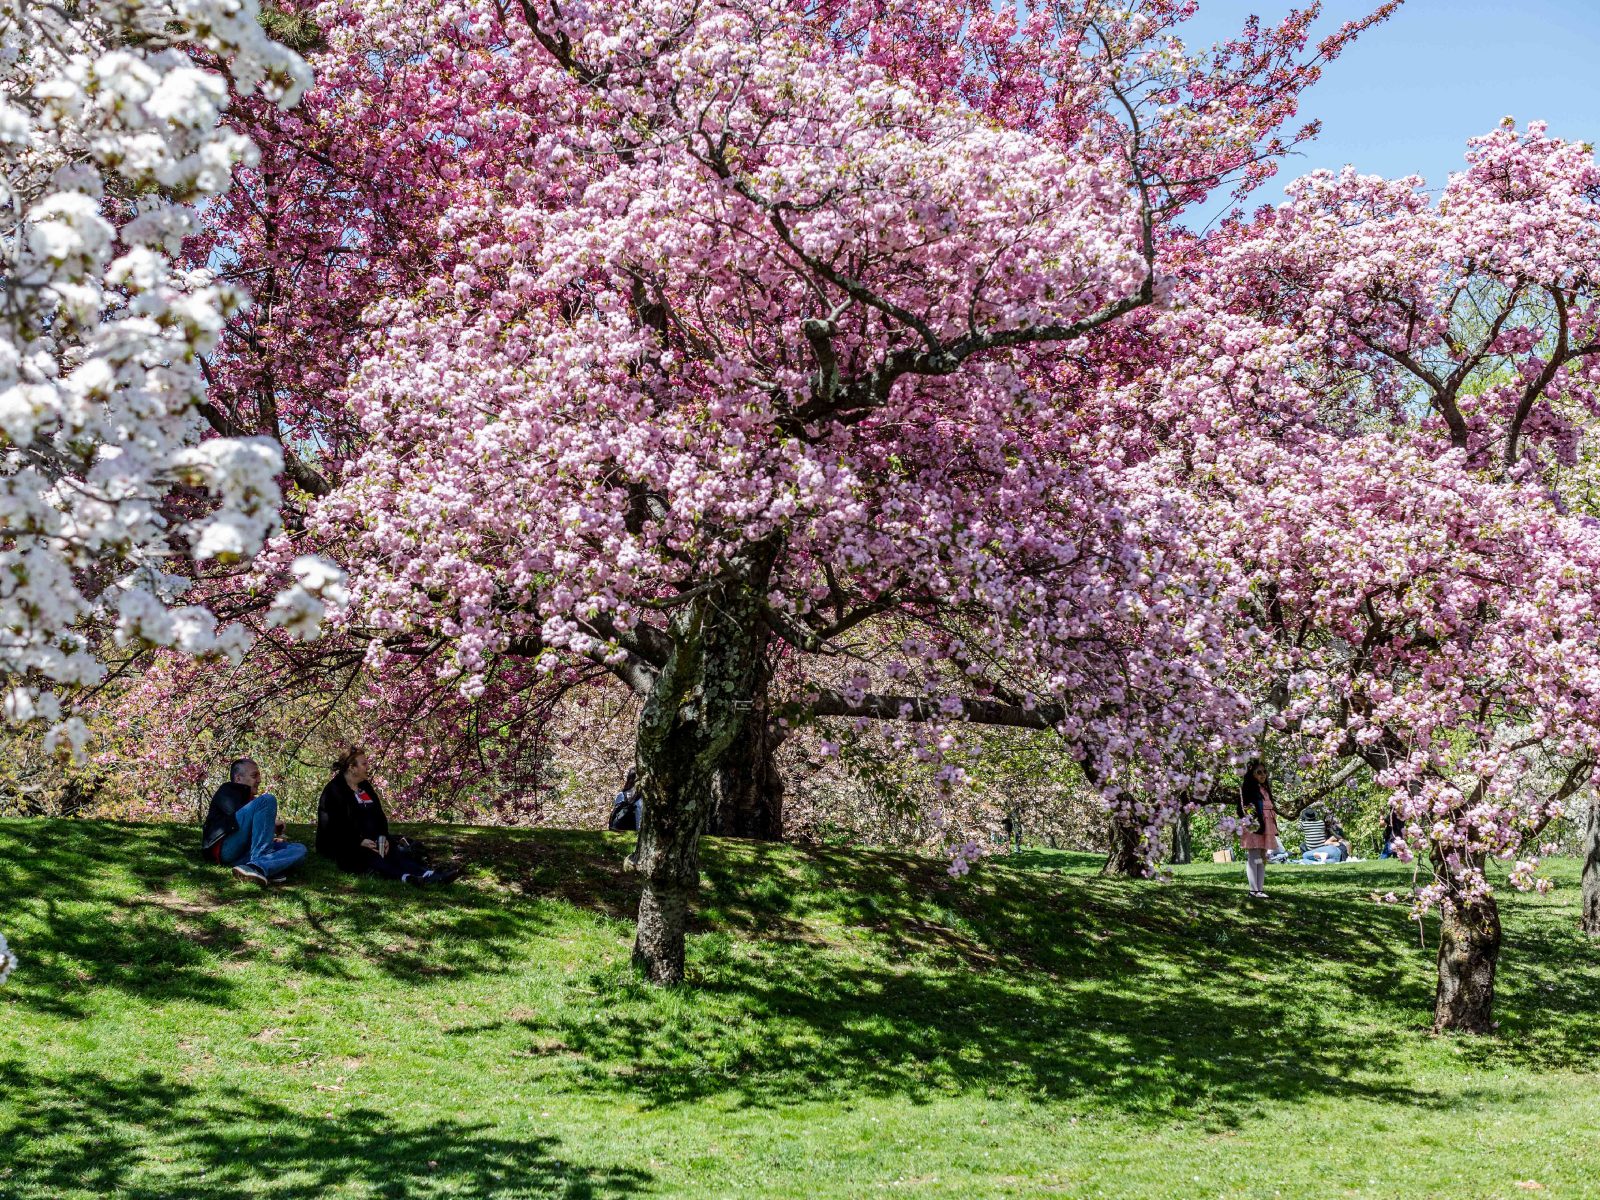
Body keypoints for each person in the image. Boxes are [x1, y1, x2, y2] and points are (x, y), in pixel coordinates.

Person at [316, 746, 460, 886]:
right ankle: (407, 878)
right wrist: (359, 841)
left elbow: (379, 815)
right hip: (344, 843)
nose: (368, 767)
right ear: (352, 768)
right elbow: (333, 826)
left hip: (371, 839)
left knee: (391, 849)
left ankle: (428, 874)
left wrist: (382, 836)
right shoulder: (334, 791)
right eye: (364, 764)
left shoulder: (364, 786)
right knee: (369, 854)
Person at [201, 758, 308, 887]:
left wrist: (270, 834)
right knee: (267, 799)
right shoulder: (227, 790)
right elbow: (236, 821)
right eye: (254, 776)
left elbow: (252, 830)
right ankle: (264, 864)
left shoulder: (251, 800)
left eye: (259, 776)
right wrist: (272, 824)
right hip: (226, 850)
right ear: (238, 778)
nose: (259, 780)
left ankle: (257, 868)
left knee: (299, 849)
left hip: (244, 854)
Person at [1238, 758, 1279, 899]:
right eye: (1259, 772)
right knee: (1254, 855)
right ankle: (1253, 890)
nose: (1263, 775)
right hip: (1255, 825)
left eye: (1264, 772)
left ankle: (1259, 889)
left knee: (1262, 856)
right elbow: (1242, 808)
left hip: (1267, 825)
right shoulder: (1248, 789)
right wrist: (1251, 821)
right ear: (1252, 774)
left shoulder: (1265, 789)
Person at [608, 769, 641, 833]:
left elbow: (615, 813)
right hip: (636, 830)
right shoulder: (644, 798)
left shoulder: (621, 795)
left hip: (620, 829)